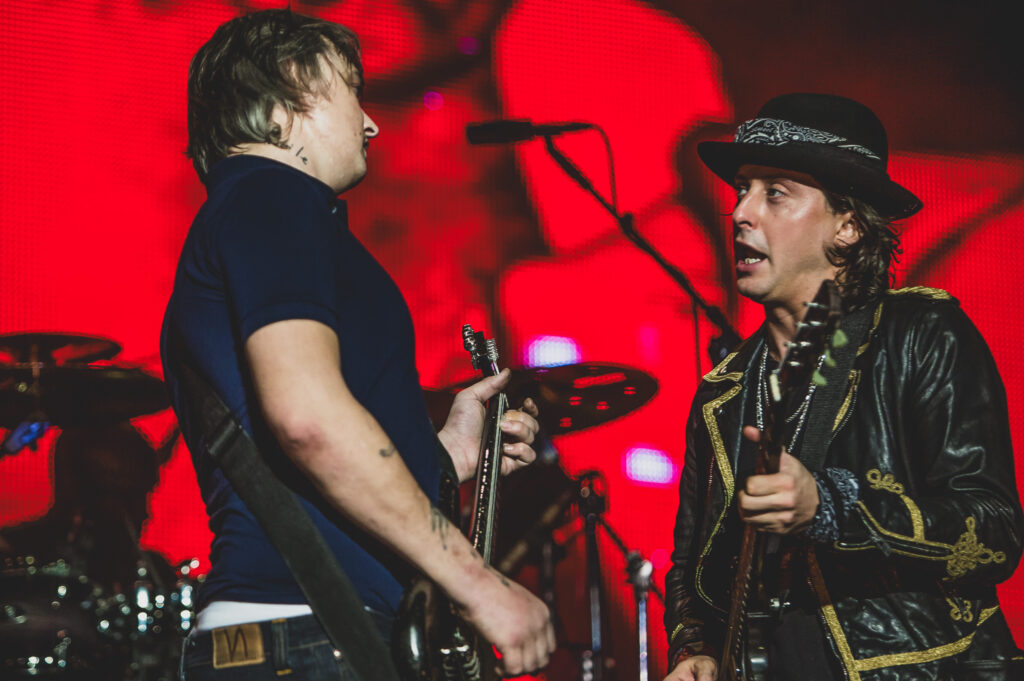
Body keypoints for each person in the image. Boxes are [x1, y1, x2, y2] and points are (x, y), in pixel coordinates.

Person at [161, 9, 554, 680]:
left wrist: (444, 455)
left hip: (311, 637)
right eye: (352, 89)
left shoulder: (259, 211)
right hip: (304, 638)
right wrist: (479, 582)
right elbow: (307, 418)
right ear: (292, 89)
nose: (370, 122)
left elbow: (287, 434)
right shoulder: (272, 196)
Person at [662, 93, 1023, 681]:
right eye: (741, 191)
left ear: (849, 226)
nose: (742, 213)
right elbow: (690, 562)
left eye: (774, 193)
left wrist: (834, 510)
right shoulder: (722, 393)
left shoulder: (923, 334)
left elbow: (994, 531)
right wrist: (693, 648)